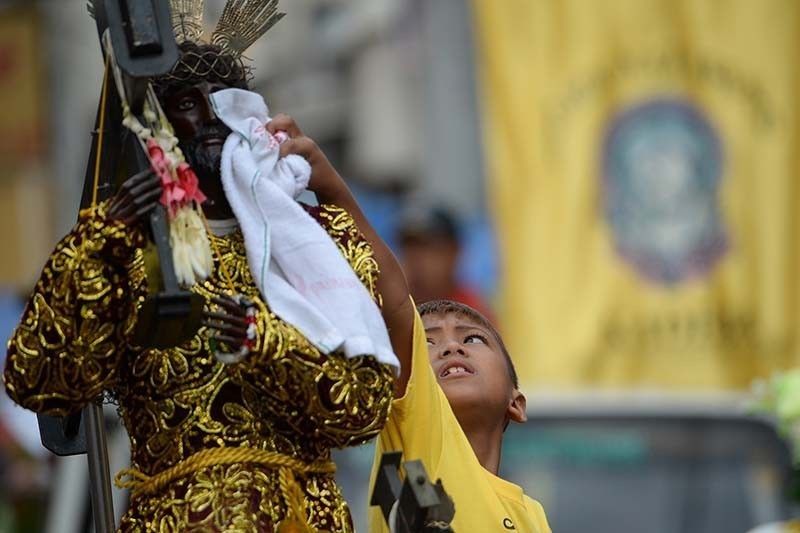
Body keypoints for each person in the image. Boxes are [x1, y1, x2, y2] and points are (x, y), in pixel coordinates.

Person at [3, 3, 403, 531]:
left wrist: (265, 345)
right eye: (190, 104)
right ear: (157, 128)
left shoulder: (314, 240)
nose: (214, 120)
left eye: (228, 103)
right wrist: (100, 244)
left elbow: (366, 409)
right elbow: (40, 382)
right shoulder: (123, 249)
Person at [368, 298, 551, 532]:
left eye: (473, 339)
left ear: (515, 404)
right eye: (425, 342)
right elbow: (397, 305)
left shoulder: (533, 515)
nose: (451, 347)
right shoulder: (414, 449)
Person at [398, 205, 495, 321]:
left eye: (431, 250)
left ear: (454, 252)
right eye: (410, 250)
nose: (418, 261)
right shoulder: (393, 307)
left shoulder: (473, 313)